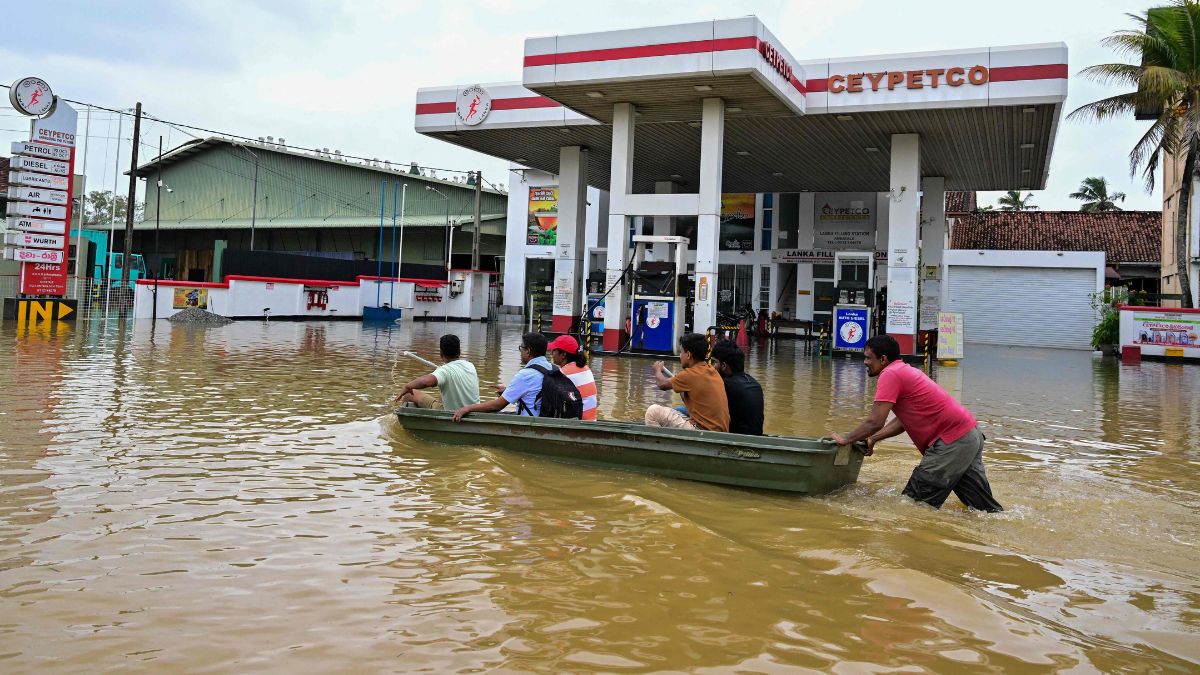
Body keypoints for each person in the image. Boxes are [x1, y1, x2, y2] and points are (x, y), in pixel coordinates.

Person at [831, 335, 1003, 512]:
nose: (865, 362)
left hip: (952, 442)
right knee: (985, 511)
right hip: (969, 436)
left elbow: (874, 421)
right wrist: (873, 439)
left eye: (868, 357)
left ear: (883, 359)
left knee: (912, 506)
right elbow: (903, 422)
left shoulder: (890, 374)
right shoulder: (905, 370)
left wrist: (846, 440)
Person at [453, 332, 551, 421]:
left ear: (528, 351)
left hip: (529, 423)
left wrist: (468, 408)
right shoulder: (552, 368)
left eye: (521, 348)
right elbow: (535, 395)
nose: (520, 351)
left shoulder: (525, 375)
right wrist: (508, 391)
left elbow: (497, 406)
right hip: (546, 419)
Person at [646, 333, 730, 432]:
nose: (680, 356)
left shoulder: (689, 374)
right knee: (681, 409)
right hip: (719, 431)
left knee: (653, 411)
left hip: (704, 432)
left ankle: (656, 444)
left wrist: (657, 370)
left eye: (681, 352)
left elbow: (662, 384)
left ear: (689, 355)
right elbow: (687, 398)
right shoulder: (712, 370)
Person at [394, 334, 480, 410]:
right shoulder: (470, 366)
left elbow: (425, 382)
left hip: (451, 414)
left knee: (409, 394)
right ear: (460, 352)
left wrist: (407, 386)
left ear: (441, 354)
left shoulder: (444, 370)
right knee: (442, 395)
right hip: (474, 411)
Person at [710, 339, 763, 435]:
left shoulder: (725, 384)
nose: (712, 367)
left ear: (724, 366)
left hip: (734, 441)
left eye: (714, 363)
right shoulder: (754, 383)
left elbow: (708, 416)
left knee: (681, 410)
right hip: (755, 439)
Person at [547, 335, 598, 421]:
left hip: (578, 423)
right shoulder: (586, 368)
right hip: (591, 420)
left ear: (563, 354)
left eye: (554, 350)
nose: (551, 353)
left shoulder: (563, 373)